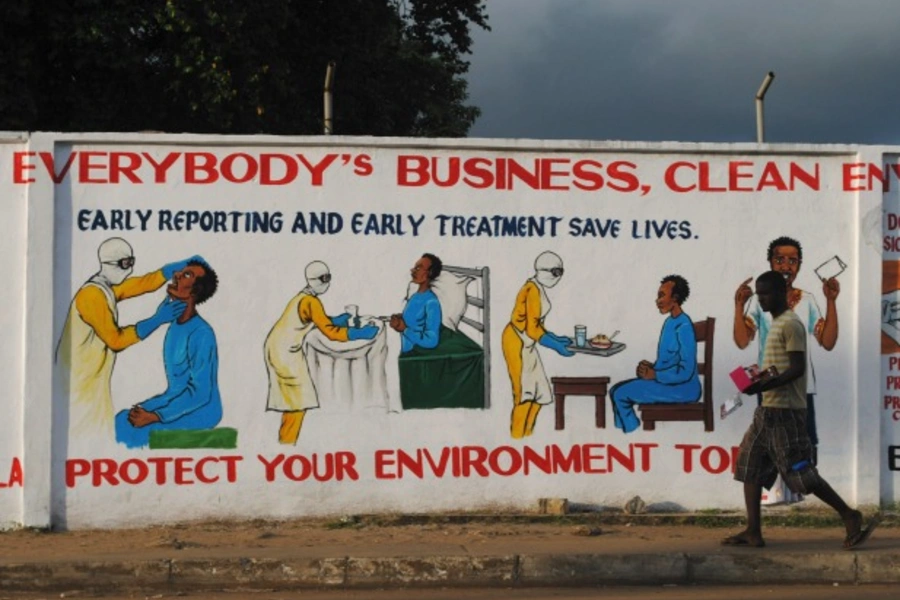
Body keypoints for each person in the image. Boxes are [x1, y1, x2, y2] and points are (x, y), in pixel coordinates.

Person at [724, 271, 879, 549]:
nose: (761, 299)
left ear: (782, 293)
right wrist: (757, 380)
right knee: (750, 467)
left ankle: (850, 515)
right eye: (758, 294)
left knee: (801, 475)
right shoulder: (776, 324)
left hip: (786, 413)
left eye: (766, 294)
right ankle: (753, 531)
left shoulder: (791, 325)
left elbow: (796, 369)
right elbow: (780, 367)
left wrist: (761, 387)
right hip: (767, 412)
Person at [55, 237, 199, 437]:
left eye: (131, 262)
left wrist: (166, 271)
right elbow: (116, 340)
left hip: (93, 380)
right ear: (109, 263)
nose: (129, 269)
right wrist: (156, 320)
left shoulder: (105, 287)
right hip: (78, 384)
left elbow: (139, 284)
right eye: (125, 264)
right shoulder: (91, 296)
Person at [733, 236, 840, 465]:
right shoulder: (761, 302)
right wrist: (739, 306)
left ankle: (804, 484)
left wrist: (831, 301)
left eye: (793, 261)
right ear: (771, 263)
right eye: (779, 259)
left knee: (805, 440)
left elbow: (828, 341)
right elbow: (743, 341)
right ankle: (778, 489)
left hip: (800, 387)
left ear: (799, 266)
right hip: (768, 383)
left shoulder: (807, 300)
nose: (786, 266)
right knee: (767, 440)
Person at [265, 261, 378, 445]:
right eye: (324, 279)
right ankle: (286, 444)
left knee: (294, 402)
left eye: (328, 277)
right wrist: (358, 333)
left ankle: (286, 442)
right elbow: (330, 332)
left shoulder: (304, 296)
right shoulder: (310, 301)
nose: (327, 282)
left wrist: (338, 320)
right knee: (297, 403)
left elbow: (319, 321)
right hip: (285, 352)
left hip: (279, 347)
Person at [115, 260, 223, 449]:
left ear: (195, 291)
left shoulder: (201, 333)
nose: (177, 275)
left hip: (201, 409)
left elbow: (200, 393)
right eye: (181, 272)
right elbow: (176, 388)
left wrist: (155, 416)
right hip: (175, 400)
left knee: (134, 433)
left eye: (187, 275)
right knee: (122, 419)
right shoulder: (175, 325)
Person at [609, 275, 701, 434]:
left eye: (661, 295)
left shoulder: (684, 326)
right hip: (668, 383)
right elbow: (668, 361)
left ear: (675, 298)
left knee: (620, 394)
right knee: (614, 390)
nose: (657, 300)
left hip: (683, 389)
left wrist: (655, 375)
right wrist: (651, 368)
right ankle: (625, 433)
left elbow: (685, 371)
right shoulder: (669, 322)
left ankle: (631, 434)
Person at [502, 251, 574, 439]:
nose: (558, 277)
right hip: (517, 341)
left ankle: (527, 434)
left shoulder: (538, 288)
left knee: (539, 394)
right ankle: (517, 437)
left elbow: (537, 325)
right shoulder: (532, 289)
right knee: (524, 395)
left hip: (528, 343)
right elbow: (532, 328)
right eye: (556, 272)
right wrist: (555, 345)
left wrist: (556, 338)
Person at [390, 253, 443, 353]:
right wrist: (400, 318)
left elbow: (432, 340)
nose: (412, 270)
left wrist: (404, 329)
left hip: (410, 350)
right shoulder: (415, 296)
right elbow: (416, 319)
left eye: (419, 268)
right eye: (415, 267)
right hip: (401, 344)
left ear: (430, 273)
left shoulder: (432, 302)